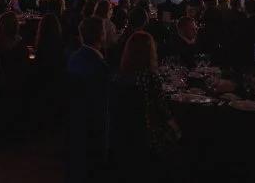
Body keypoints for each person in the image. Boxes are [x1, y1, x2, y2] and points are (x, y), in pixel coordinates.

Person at [110, 32, 180, 181]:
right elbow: (162, 108)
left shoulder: (118, 76)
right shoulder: (150, 77)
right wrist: (175, 127)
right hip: (148, 133)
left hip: (122, 131)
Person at [67, 17, 109, 183]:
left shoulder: (73, 57)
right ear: (101, 35)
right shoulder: (99, 66)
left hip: (76, 122)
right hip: (93, 126)